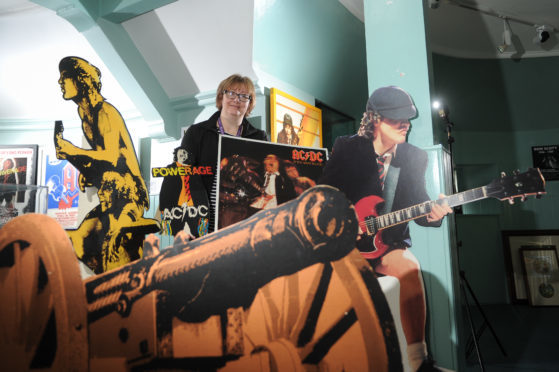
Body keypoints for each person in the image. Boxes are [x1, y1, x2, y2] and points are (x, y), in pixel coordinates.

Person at [319, 86, 452, 372]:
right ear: (376, 119)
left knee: (409, 267)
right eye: (397, 119)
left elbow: (420, 206)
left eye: (408, 119)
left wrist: (434, 214)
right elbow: (324, 194)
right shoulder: (346, 147)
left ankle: (419, 360)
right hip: (345, 245)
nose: (406, 125)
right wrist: (345, 219)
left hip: (387, 246)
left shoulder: (414, 157)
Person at [54, 56, 157, 273]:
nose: (60, 82)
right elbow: (102, 162)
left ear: (80, 80)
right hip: (110, 194)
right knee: (78, 241)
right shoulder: (84, 114)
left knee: (112, 243)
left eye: (65, 77)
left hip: (127, 193)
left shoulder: (104, 112)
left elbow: (111, 156)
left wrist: (75, 151)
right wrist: (79, 162)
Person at [180, 74, 267, 232]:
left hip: (241, 222)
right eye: (231, 93)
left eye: (243, 96)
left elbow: (263, 179)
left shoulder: (260, 138)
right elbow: (182, 177)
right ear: (221, 97)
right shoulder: (196, 133)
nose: (237, 100)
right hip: (202, 220)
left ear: (250, 103)